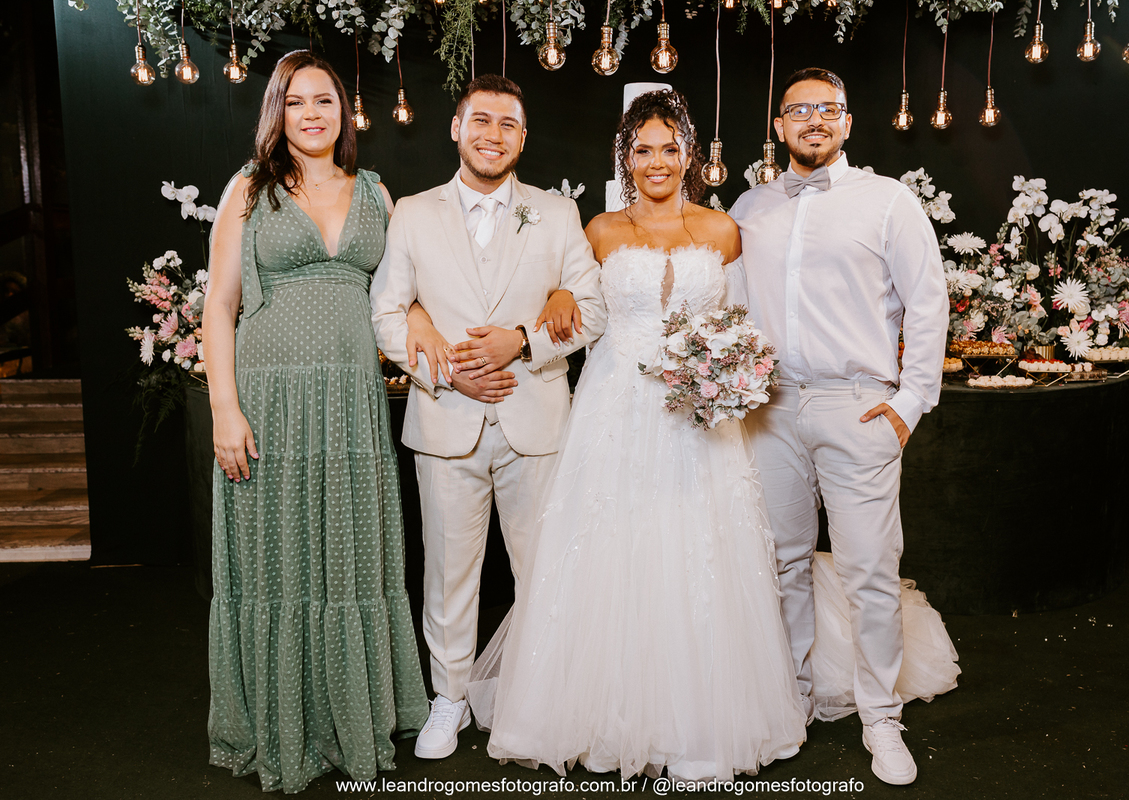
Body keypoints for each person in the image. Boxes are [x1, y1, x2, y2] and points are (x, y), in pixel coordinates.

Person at [477, 89, 808, 782]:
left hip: (699, 415)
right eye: (643, 150)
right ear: (625, 159)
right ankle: (601, 713)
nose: (656, 161)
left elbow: (743, 320)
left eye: (669, 148)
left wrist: (731, 370)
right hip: (615, 407)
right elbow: (574, 297)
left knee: (697, 548)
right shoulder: (598, 230)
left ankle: (696, 721)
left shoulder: (722, 230)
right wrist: (560, 294)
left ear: (690, 155)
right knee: (612, 545)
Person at [203, 50, 428, 793]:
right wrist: (225, 409)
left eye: (324, 100)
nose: (311, 114)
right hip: (269, 404)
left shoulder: (376, 193)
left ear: (343, 111)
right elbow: (219, 307)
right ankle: (283, 724)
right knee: (278, 563)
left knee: (350, 562)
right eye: (295, 101)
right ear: (278, 111)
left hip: (351, 408)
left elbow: (404, 295)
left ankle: (351, 721)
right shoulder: (249, 189)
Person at [369, 74, 607, 761]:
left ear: (523, 138)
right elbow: (387, 312)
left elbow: (594, 311)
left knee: (544, 570)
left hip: (538, 425)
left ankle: (547, 698)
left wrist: (523, 343)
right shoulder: (412, 213)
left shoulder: (557, 213)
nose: (493, 135)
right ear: (456, 128)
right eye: (481, 121)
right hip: (446, 421)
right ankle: (449, 699)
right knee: (447, 574)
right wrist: (449, 369)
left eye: (508, 124)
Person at [729, 67, 953, 786]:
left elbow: (928, 301)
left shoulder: (888, 202)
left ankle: (880, 718)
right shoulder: (750, 206)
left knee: (869, 571)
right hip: (769, 407)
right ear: (779, 126)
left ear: (848, 123)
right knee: (783, 563)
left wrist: (909, 404)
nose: (814, 120)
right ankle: (792, 699)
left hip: (857, 406)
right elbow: (730, 304)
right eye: (799, 110)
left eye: (828, 108)